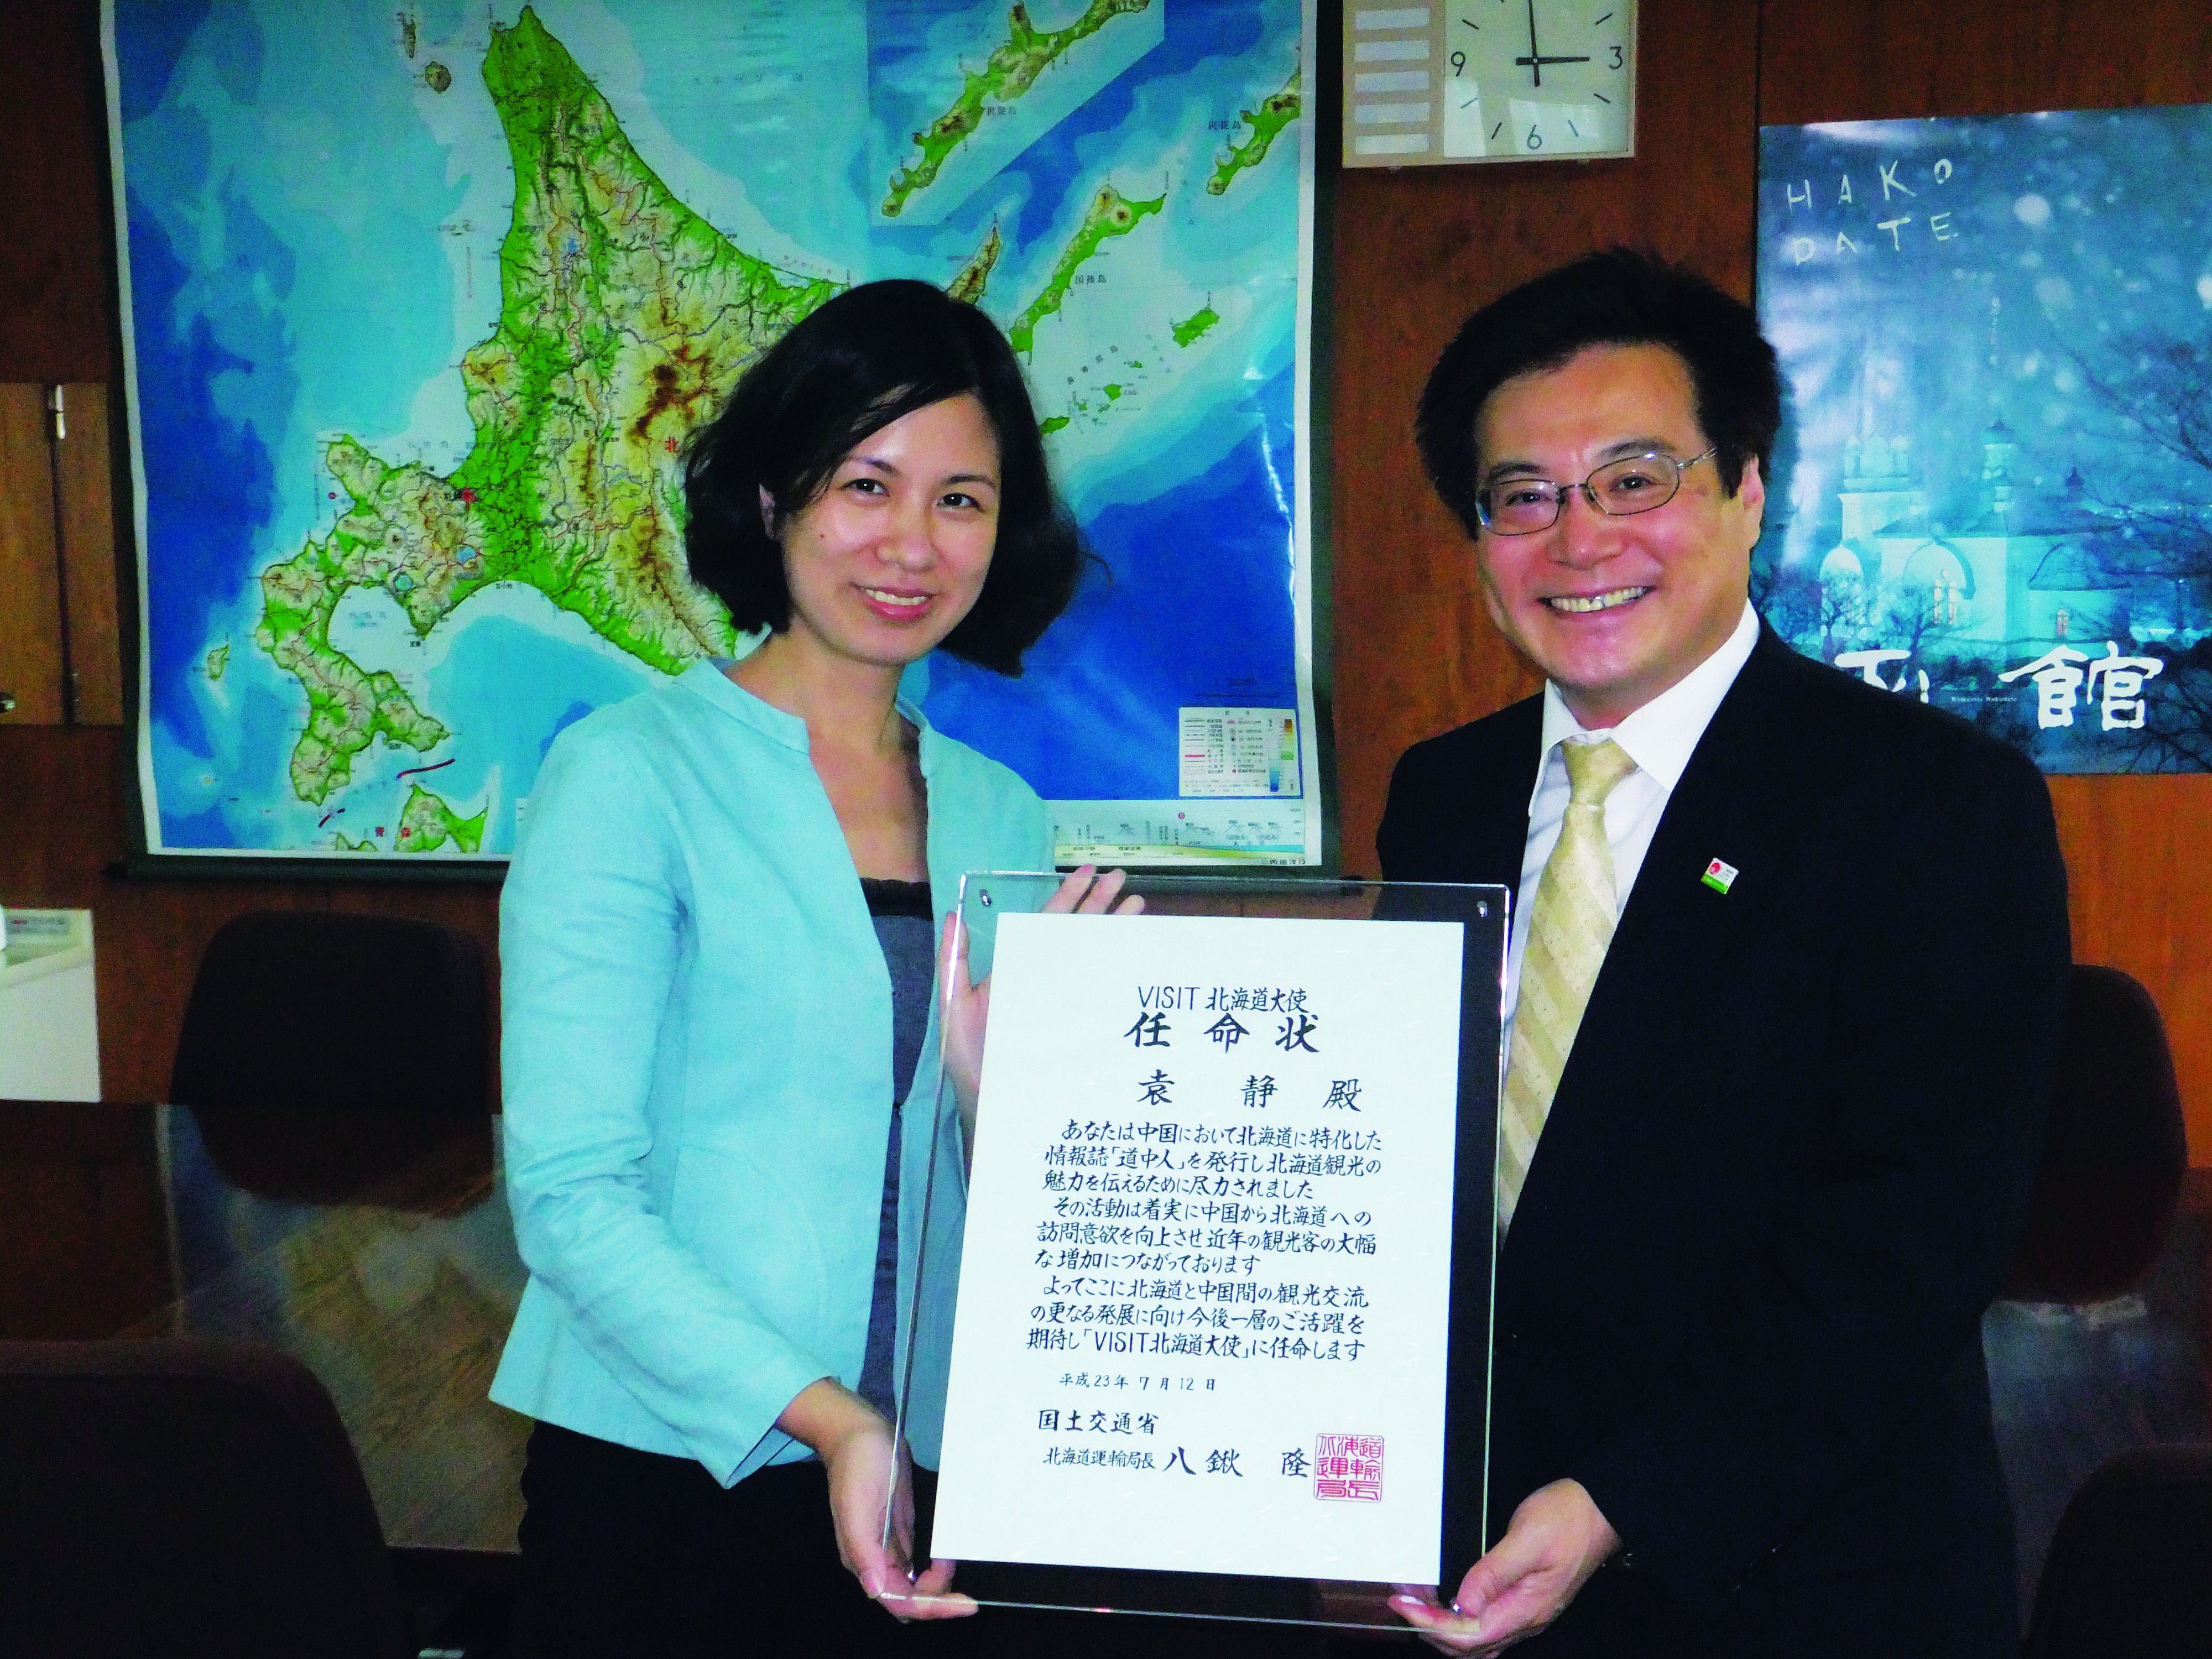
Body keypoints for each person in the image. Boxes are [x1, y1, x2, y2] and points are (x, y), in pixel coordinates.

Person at [1376, 250, 2071, 1656]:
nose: (1578, 541)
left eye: (1634, 479)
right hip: (1461, 1551)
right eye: (1522, 497)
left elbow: (1911, 1239)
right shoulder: (1439, 794)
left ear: (1747, 491)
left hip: (1792, 1574)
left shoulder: (1931, 803)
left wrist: (1626, 1500)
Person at [491, 278, 1136, 1656]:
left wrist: (1016, 1105)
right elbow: (569, 1196)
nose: (911, 542)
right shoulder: (627, 776)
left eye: (960, 500)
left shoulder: (1003, 815)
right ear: (774, 498)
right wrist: (834, 1422)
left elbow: (1022, 1198)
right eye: (865, 485)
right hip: (670, 1476)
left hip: (937, 1470)